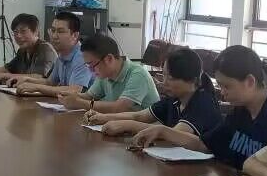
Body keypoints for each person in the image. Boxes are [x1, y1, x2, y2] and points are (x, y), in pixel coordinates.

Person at [131, 45, 267, 169]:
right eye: (220, 86)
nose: (222, 93)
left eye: (227, 86)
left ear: (250, 81)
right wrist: (162, 131)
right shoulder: (239, 113)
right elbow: (204, 144)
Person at [82, 46, 221, 138]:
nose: (164, 83)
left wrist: (127, 125)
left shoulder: (203, 102)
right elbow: (139, 116)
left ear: (192, 81)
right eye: (164, 75)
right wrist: (102, 117)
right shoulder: (174, 99)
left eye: (171, 78)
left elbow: (175, 134)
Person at [58, 35, 159, 113]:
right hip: (120, 125)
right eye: (87, 65)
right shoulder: (104, 74)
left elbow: (119, 108)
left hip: (146, 129)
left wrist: (79, 103)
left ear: (109, 58)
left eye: (92, 65)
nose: (91, 70)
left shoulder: (138, 74)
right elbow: (89, 96)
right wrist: (72, 96)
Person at [6, 12, 93, 95]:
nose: (54, 36)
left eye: (60, 31)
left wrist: (37, 87)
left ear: (75, 35)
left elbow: (74, 90)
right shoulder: (62, 54)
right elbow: (50, 82)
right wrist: (26, 80)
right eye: (53, 30)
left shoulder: (83, 56)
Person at [0, 13, 56, 79]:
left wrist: (5, 76)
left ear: (35, 31)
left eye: (23, 31)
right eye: (15, 32)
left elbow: (38, 77)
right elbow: (7, 69)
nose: (18, 36)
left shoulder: (45, 49)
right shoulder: (22, 51)